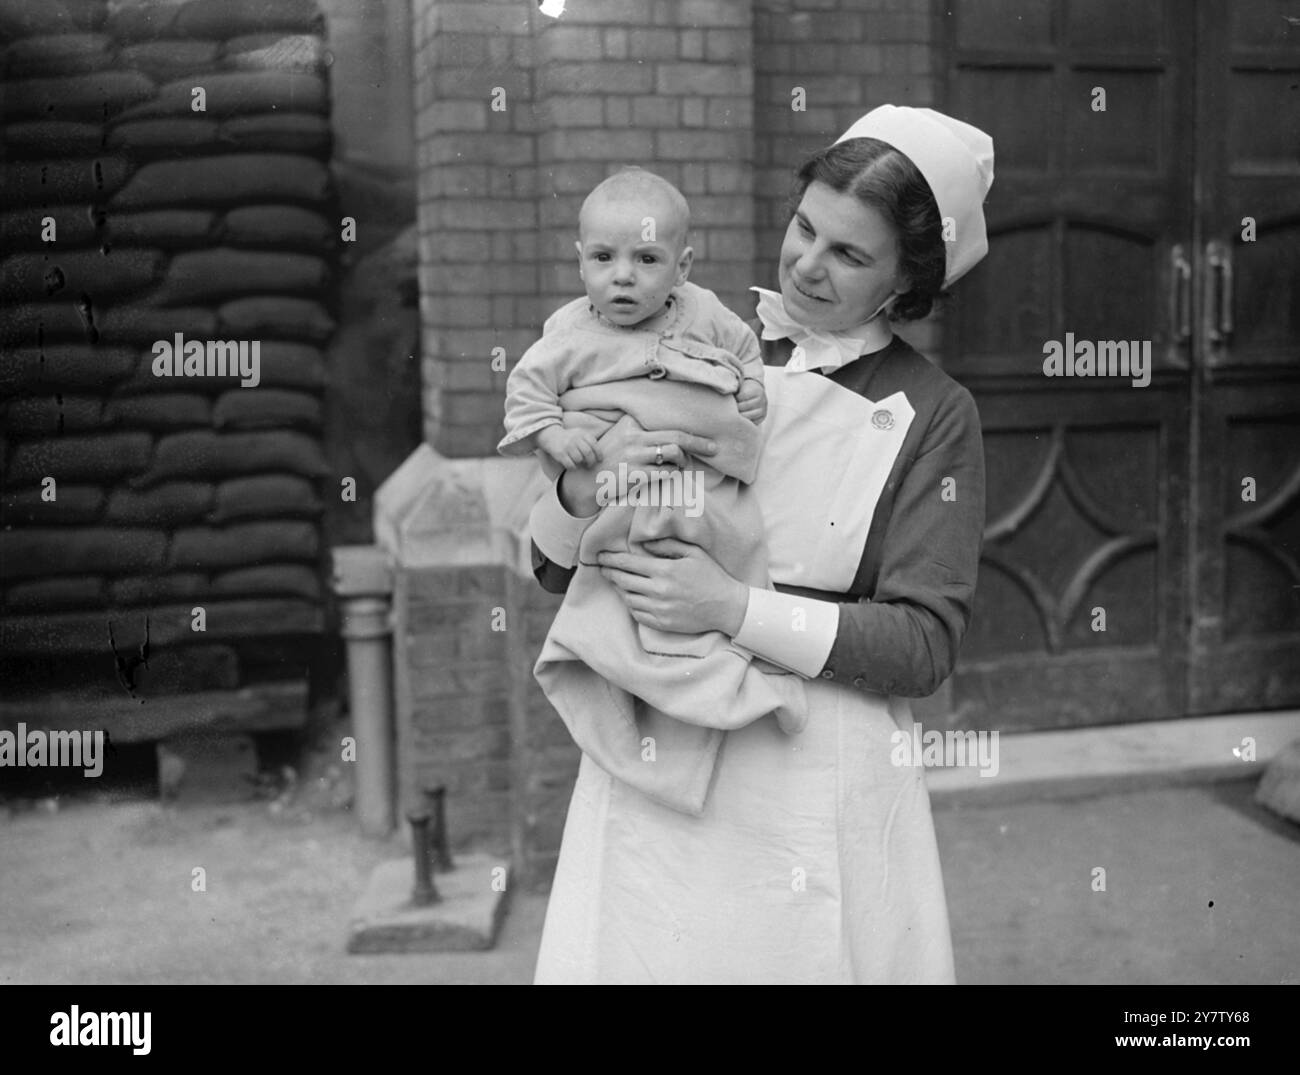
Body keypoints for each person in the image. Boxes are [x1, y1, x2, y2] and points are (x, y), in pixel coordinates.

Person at [527, 104, 994, 984]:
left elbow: (922, 645)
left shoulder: (933, 414)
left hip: (812, 776)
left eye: (850, 254)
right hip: (659, 760)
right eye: (805, 227)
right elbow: (552, 566)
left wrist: (730, 607)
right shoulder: (690, 342)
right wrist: (578, 488)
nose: (808, 266)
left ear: (909, 280)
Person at [499, 167, 807, 816]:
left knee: (731, 552)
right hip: (615, 493)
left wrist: (750, 388)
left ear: (682, 267)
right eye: (604, 258)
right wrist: (557, 440)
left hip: (703, 484)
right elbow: (527, 392)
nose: (623, 276)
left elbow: (744, 351)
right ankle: (647, 702)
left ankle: (729, 683)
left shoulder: (705, 313)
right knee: (621, 591)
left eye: (647, 259)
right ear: (580, 262)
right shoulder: (570, 334)